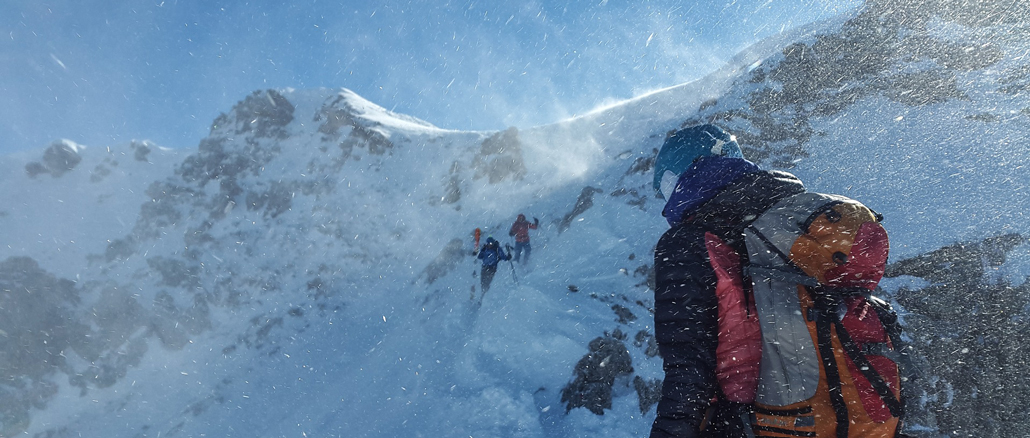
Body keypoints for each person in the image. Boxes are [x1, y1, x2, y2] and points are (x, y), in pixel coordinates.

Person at [649, 124, 904, 437]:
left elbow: (688, 370)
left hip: (757, 422)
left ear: (685, 173)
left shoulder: (688, 241)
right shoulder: (791, 221)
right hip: (839, 413)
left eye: (667, 183)